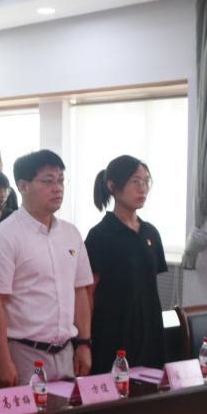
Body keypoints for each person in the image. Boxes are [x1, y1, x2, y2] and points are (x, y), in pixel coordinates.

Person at [0, 150, 93, 385]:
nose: (57, 188)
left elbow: (80, 290)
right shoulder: (2, 237)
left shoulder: (71, 233)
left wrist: (84, 343)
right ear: (23, 186)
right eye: (48, 181)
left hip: (66, 351)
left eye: (60, 180)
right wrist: (2, 360)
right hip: (22, 353)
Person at [85, 155, 166, 374]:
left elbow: (149, 285)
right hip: (113, 332)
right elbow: (88, 292)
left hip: (149, 330)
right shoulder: (100, 235)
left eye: (146, 181)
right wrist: (84, 340)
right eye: (135, 182)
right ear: (112, 186)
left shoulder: (150, 233)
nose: (143, 188)